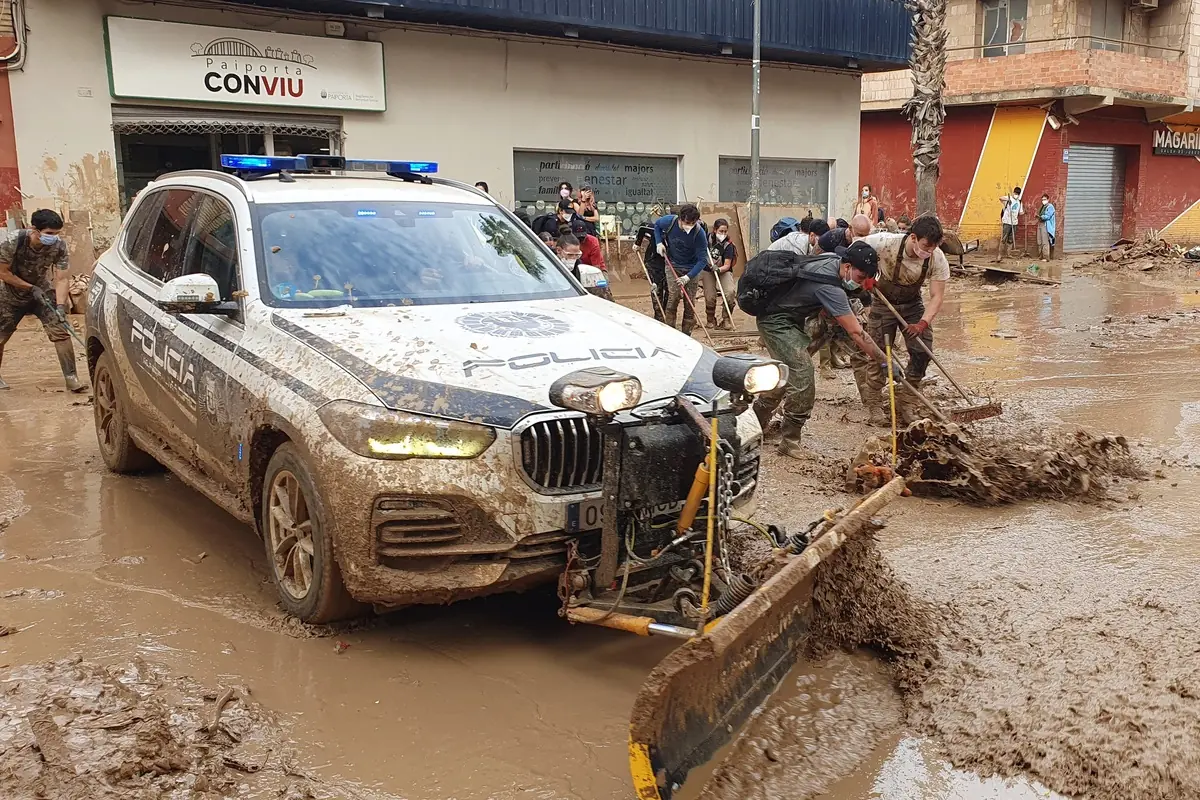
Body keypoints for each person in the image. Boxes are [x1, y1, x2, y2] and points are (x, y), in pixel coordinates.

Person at [751, 241, 894, 457]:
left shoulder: (832, 261)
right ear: (847, 267)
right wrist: (884, 361)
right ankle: (790, 441)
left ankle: (754, 425)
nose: (862, 283)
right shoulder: (830, 287)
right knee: (802, 376)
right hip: (776, 323)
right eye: (860, 278)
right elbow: (857, 333)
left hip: (792, 318)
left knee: (785, 374)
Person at [855, 215, 950, 426]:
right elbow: (856, 247)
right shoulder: (885, 242)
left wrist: (923, 323)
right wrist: (866, 275)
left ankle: (906, 399)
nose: (929, 250)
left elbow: (937, 296)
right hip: (883, 301)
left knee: (923, 351)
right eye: (926, 245)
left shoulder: (937, 258)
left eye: (934, 246)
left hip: (912, 305)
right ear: (914, 238)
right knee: (878, 353)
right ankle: (874, 404)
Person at [0, 209, 85, 392]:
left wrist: (61, 306)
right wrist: (30, 288)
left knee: (60, 331)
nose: (53, 238)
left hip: (43, 293)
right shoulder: (13, 241)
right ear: (34, 229)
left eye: (56, 234)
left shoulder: (59, 246)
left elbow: (62, 278)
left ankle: (71, 378)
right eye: (49, 234)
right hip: (11, 295)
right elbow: (3, 272)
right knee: (1, 336)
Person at [653, 204, 708, 335]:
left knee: (689, 302)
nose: (690, 225)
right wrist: (659, 242)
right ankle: (670, 332)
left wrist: (687, 277)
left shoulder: (699, 233)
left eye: (693, 223)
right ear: (680, 219)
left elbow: (703, 260)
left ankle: (686, 334)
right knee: (674, 297)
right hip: (673, 264)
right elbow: (657, 226)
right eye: (687, 222)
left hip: (691, 269)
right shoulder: (669, 221)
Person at [703, 218, 737, 329]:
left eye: (725, 231)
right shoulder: (706, 239)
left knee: (730, 292)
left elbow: (727, 265)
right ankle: (710, 318)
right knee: (710, 296)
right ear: (715, 230)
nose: (723, 234)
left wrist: (718, 269)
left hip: (723, 270)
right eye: (720, 231)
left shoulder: (728, 245)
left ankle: (726, 319)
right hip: (707, 270)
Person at [635, 223, 668, 322]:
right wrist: (637, 243)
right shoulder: (657, 228)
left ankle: (666, 313)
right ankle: (659, 316)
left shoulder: (680, 234)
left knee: (669, 289)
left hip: (669, 262)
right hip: (653, 261)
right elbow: (642, 228)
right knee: (656, 287)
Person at [996, 187, 1023, 262]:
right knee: (1003, 239)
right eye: (1015, 193)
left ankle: (1009, 254)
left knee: (1010, 240)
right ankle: (999, 255)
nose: (1016, 195)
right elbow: (1000, 198)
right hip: (1007, 222)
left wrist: (1025, 212)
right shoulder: (1008, 198)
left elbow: (1020, 212)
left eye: (1018, 194)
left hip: (1014, 223)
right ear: (1013, 193)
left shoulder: (1019, 202)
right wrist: (1007, 200)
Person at [1037, 193, 1057, 260]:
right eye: (1042, 199)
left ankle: (1046, 257)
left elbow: (1048, 216)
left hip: (1045, 225)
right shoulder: (1043, 207)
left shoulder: (1050, 207)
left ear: (1048, 199)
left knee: (1045, 242)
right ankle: (1041, 256)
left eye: (1045, 199)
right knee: (1039, 241)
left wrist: (1041, 217)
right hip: (1040, 224)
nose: (1043, 201)